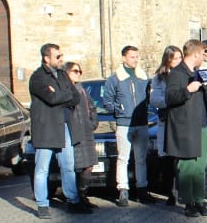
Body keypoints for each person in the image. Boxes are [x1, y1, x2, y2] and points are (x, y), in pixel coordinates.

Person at [151, 40, 207, 217]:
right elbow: (170, 97)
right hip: (185, 126)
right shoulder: (177, 74)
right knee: (186, 167)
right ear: (195, 55)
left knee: (200, 166)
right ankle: (188, 202)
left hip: (201, 124)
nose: (205, 57)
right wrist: (188, 90)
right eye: (203, 54)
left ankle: (200, 200)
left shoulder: (197, 72)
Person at [29, 42, 85, 218]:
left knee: (68, 166)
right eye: (58, 56)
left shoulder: (62, 75)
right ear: (47, 58)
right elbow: (51, 98)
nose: (62, 59)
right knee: (42, 169)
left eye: (61, 55)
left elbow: (75, 96)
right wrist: (61, 96)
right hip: (46, 129)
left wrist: (60, 95)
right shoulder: (38, 78)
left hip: (64, 127)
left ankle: (73, 200)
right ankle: (42, 204)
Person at [102, 45, 151, 207]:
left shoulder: (143, 77)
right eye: (132, 57)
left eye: (137, 57)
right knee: (123, 158)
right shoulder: (115, 79)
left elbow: (149, 98)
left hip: (142, 123)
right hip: (124, 124)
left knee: (141, 159)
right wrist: (119, 110)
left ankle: (142, 189)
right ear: (124, 58)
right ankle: (123, 190)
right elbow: (107, 101)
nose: (135, 60)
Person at [151, 45, 184, 205]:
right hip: (167, 121)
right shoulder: (159, 77)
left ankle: (182, 191)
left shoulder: (186, 74)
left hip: (182, 121)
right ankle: (172, 193)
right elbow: (154, 99)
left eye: (180, 58)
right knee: (169, 159)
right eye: (174, 58)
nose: (178, 61)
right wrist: (171, 101)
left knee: (182, 159)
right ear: (168, 59)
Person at [65, 61, 99, 209]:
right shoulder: (66, 90)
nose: (78, 73)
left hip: (86, 131)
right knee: (78, 166)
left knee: (89, 166)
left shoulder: (81, 88)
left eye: (80, 71)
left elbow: (92, 107)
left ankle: (83, 195)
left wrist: (93, 123)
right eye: (74, 71)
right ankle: (77, 198)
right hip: (75, 132)